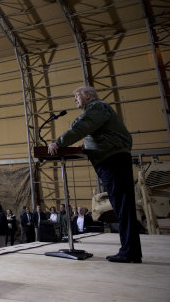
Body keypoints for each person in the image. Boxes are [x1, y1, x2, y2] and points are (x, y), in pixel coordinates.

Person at [49, 85, 142, 263]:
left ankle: (129, 252)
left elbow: (81, 127)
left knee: (123, 206)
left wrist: (58, 143)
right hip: (112, 159)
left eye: (77, 95)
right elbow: (95, 133)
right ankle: (131, 251)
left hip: (112, 160)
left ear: (89, 96)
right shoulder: (97, 110)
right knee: (122, 206)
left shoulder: (96, 107)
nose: (75, 99)